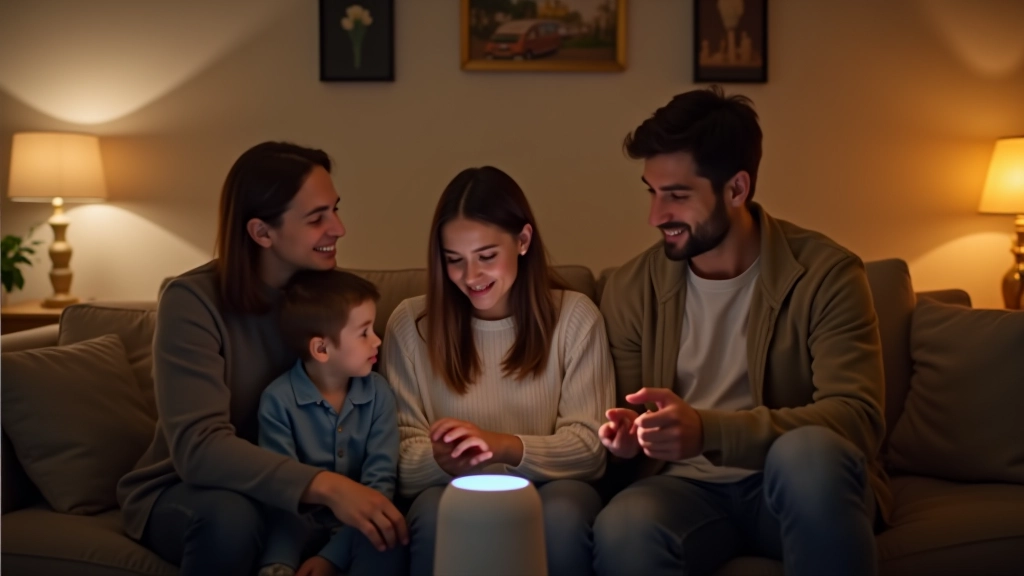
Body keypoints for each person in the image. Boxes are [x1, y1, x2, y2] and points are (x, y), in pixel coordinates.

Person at [593, 87, 888, 576]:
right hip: (683, 493)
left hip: (792, 486)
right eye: (652, 191)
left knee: (809, 452)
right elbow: (626, 418)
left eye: (677, 195)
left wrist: (708, 430)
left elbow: (856, 419)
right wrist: (627, 440)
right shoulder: (631, 288)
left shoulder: (826, 275)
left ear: (736, 189)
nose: (655, 216)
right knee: (625, 524)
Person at [116, 142, 408, 576]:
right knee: (232, 518)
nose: (339, 228)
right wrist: (328, 487)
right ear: (261, 232)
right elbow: (198, 448)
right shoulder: (193, 302)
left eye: (335, 209)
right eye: (317, 218)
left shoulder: (335, 304)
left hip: (300, 501)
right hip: (192, 489)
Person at [381, 166, 614, 576]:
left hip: (554, 490)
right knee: (434, 516)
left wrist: (501, 446)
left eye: (487, 256)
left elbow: (590, 451)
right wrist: (442, 461)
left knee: (562, 514)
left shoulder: (575, 318)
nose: (471, 277)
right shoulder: (409, 324)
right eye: (455, 260)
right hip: (448, 489)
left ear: (523, 240)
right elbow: (398, 460)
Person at [257, 269, 405, 576]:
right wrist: (281, 561)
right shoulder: (278, 401)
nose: (377, 340)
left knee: (388, 536)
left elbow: (379, 486)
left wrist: (332, 558)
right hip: (295, 529)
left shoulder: (378, 393)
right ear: (321, 349)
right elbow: (282, 493)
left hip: (362, 527)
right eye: (364, 332)